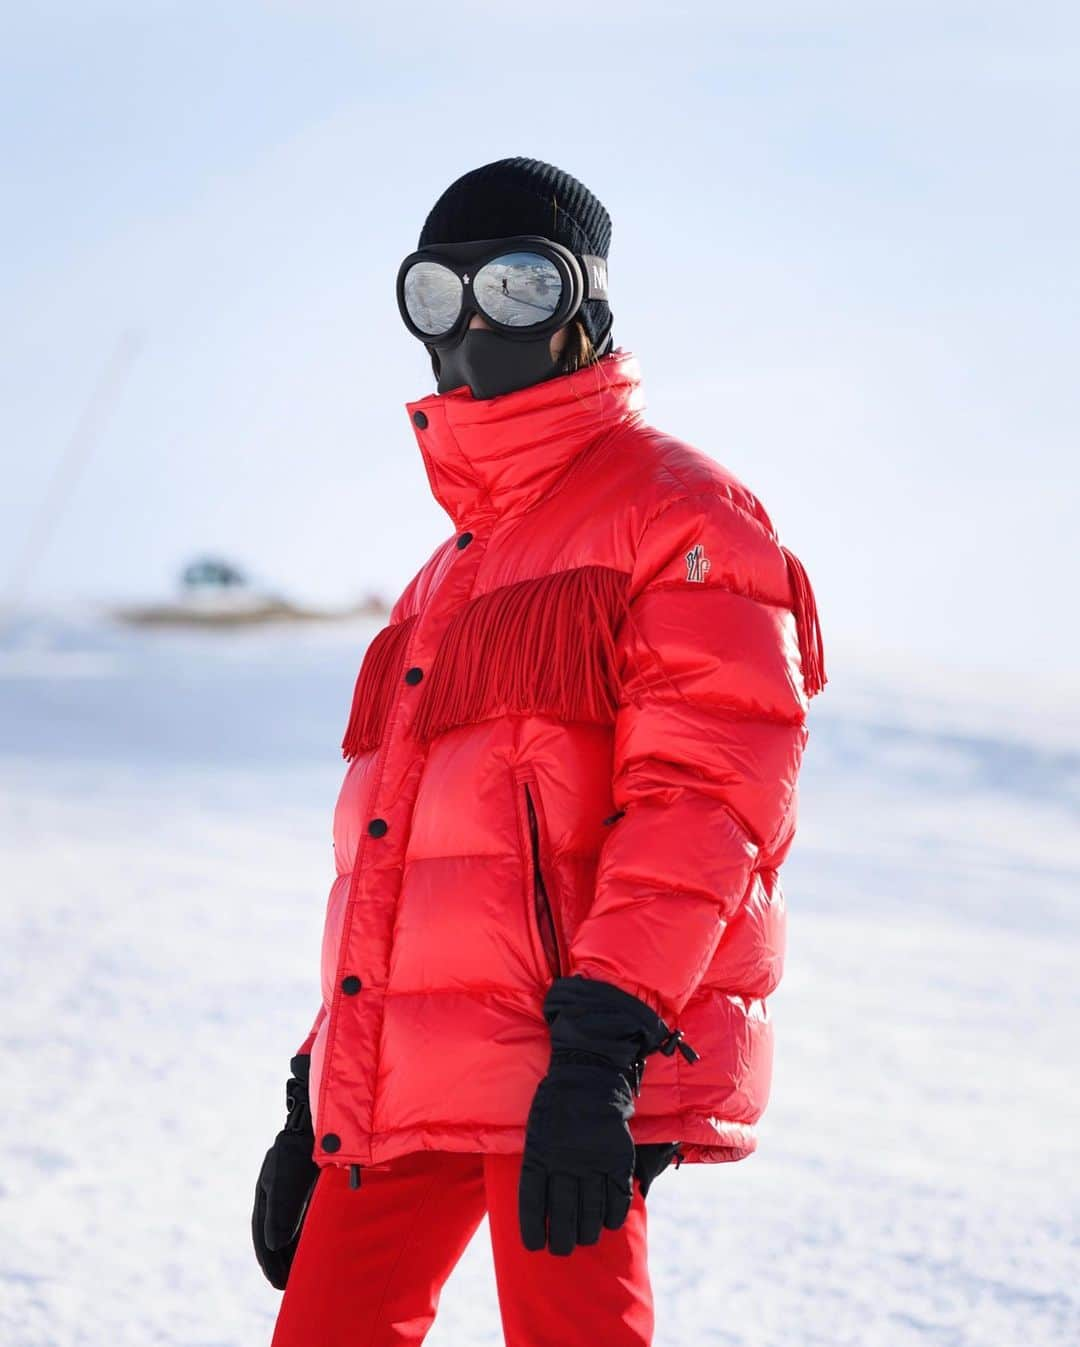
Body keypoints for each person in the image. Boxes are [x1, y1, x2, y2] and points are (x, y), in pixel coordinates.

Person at [252, 156, 827, 1347]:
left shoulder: (681, 511)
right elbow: (405, 856)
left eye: (515, 287)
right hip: (415, 1074)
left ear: (584, 311)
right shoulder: (443, 577)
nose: (471, 323)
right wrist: (320, 1081)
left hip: (576, 1063)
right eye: (436, 295)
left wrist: (606, 1045)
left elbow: (708, 799)